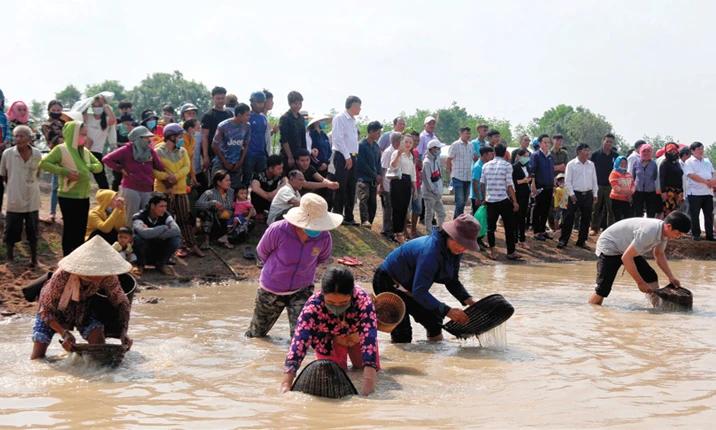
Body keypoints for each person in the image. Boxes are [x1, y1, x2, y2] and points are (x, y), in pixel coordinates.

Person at [373, 214, 481, 343]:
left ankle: (435, 351)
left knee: (434, 320)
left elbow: (452, 281)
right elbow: (419, 292)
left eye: (467, 245)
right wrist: (448, 311)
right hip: (388, 281)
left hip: (411, 285)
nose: (464, 248)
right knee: (403, 332)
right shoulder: (430, 253)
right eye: (462, 243)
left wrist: (472, 301)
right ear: (451, 236)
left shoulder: (455, 250)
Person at [246, 193, 342, 338]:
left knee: (302, 337)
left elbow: (322, 259)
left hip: (302, 289)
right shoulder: (278, 230)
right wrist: (277, 271)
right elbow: (262, 252)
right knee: (256, 335)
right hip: (271, 289)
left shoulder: (324, 237)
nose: (316, 229)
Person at [29, 236, 133, 360]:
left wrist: (123, 331)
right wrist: (64, 332)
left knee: (99, 347)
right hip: (53, 309)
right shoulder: (62, 276)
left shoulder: (107, 276)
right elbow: (45, 310)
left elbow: (122, 302)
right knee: (38, 356)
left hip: (83, 308)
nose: (100, 274)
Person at [281, 267, 379, 396]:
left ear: (352, 294)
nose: (337, 307)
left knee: (361, 370)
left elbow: (369, 339)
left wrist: (368, 384)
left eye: (343, 302)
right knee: (334, 375)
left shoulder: (363, 301)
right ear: (323, 295)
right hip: (328, 340)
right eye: (331, 302)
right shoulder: (313, 306)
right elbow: (299, 342)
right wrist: (286, 384)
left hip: (357, 338)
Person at [589, 211, 691, 305]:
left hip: (626, 248)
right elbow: (626, 258)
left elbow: (659, 254)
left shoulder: (664, 234)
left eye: (680, 235)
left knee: (651, 277)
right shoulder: (649, 232)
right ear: (669, 226)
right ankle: (592, 311)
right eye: (677, 234)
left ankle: (658, 309)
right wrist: (640, 283)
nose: (678, 237)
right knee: (603, 290)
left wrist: (671, 277)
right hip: (610, 246)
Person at [39, 121, 103, 256]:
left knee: (80, 230)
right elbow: (44, 163)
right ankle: (67, 258)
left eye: (85, 135)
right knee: (70, 229)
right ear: (73, 134)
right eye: (82, 135)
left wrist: (88, 167)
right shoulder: (61, 150)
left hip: (84, 196)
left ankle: (77, 259)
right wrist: (64, 172)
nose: (84, 138)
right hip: (68, 196)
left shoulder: (85, 151)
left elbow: (99, 166)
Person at [154, 123, 203, 258]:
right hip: (163, 190)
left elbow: (187, 167)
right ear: (171, 136)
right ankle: (166, 249)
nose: (181, 139)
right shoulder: (158, 151)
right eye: (179, 136)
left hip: (181, 190)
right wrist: (166, 178)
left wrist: (174, 177)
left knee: (184, 218)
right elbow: (155, 170)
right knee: (165, 220)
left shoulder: (182, 151)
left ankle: (192, 245)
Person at [103, 126, 166, 228]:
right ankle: (129, 242)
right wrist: (120, 168)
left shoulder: (150, 151)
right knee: (131, 218)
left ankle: (141, 242)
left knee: (145, 219)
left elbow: (160, 167)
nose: (149, 140)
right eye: (146, 138)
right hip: (131, 188)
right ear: (138, 138)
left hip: (147, 189)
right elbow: (107, 159)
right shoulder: (126, 149)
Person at [1, 125, 42, 267]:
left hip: (32, 198)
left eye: (22, 136)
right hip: (14, 199)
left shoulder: (37, 154)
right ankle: (10, 258)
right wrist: (15, 186)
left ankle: (34, 259)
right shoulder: (8, 154)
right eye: (16, 136)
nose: (18, 139)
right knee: (11, 230)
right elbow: (4, 175)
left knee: (33, 230)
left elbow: (38, 174)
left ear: (30, 138)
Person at [480, 144, 520, 260]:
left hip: (490, 200)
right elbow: (509, 185)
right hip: (503, 199)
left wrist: (484, 198)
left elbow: (482, 184)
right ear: (505, 153)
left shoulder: (486, 166)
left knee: (491, 228)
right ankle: (511, 251)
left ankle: (493, 251)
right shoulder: (507, 165)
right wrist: (515, 201)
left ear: (494, 153)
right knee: (509, 226)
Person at [558, 143, 598, 249]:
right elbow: (567, 181)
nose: (588, 152)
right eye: (586, 150)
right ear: (579, 151)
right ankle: (563, 240)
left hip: (588, 194)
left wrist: (595, 194)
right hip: (575, 194)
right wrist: (571, 194)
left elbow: (594, 180)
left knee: (586, 218)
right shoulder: (571, 164)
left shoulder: (591, 164)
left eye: (588, 150)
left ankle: (581, 241)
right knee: (568, 218)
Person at [132, 192, 181, 276]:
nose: (164, 209)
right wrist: (164, 228)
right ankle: (140, 264)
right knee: (138, 238)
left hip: (158, 247)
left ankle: (161, 264)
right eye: (161, 206)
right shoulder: (139, 216)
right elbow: (144, 234)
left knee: (175, 240)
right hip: (145, 249)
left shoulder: (166, 215)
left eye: (165, 206)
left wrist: (154, 234)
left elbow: (176, 230)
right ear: (152, 206)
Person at [331, 96, 362, 226]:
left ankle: (349, 216)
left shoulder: (353, 120)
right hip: (343, 156)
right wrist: (347, 157)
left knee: (351, 186)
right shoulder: (340, 118)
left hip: (352, 156)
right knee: (341, 186)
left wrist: (353, 157)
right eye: (359, 106)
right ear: (353, 105)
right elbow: (338, 138)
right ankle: (337, 215)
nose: (360, 109)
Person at [212, 103, 250, 191]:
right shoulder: (223, 126)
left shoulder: (247, 126)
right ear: (239, 115)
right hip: (221, 162)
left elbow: (246, 144)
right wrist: (225, 162)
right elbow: (214, 145)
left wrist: (240, 161)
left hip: (236, 164)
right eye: (247, 115)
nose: (249, 117)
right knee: (218, 190)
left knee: (234, 191)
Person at [195, 170, 235, 250]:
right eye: (227, 180)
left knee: (249, 222)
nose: (229, 182)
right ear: (219, 182)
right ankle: (207, 239)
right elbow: (197, 205)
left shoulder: (232, 192)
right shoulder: (209, 193)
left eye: (229, 180)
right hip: (215, 223)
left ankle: (227, 237)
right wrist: (212, 203)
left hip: (229, 223)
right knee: (205, 211)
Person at [40, 100, 66, 223]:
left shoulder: (65, 123)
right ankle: (52, 213)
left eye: (58, 110)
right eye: (53, 110)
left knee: (67, 186)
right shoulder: (45, 125)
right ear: (49, 110)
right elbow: (53, 141)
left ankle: (65, 213)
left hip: (67, 156)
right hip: (56, 156)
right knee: (56, 186)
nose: (56, 112)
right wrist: (63, 137)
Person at [683, 141, 715, 241]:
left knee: (708, 215)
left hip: (708, 192)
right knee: (695, 215)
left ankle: (710, 235)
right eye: (699, 149)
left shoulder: (707, 161)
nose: (701, 151)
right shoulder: (689, 162)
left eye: (702, 149)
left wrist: (712, 181)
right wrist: (706, 182)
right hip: (695, 193)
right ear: (692, 151)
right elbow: (691, 175)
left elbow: (713, 172)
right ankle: (696, 234)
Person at [83, 95, 116, 190]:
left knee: (101, 179)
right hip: (84, 150)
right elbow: (81, 115)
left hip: (96, 152)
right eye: (95, 106)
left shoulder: (106, 120)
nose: (97, 108)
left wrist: (105, 104)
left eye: (99, 105)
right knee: (83, 177)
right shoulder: (88, 117)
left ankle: (107, 199)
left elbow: (113, 119)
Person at [390, 134, 418, 244]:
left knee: (404, 208)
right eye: (406, 142)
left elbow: (413, 174)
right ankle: (397, 233)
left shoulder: (411, 156)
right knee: (397, 207)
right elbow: (393, 166)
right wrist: (398, 154)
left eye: (410, 143)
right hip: (398, 180)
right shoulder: (397, 153)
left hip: (407, 181)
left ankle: (400, 231)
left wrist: (415, 189)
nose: (408, 144)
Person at [588, 134, 618, 234]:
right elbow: (590, 169)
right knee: (595, 207)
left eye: (611, 142)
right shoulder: (596, 154)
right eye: (607, 141)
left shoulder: (616, 156)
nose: (609, 143)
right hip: (597, 185)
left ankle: (610, 230)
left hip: (611, 186)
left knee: (611, 209)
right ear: (603, 141)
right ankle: (594, 228)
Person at [201, 86, 233, 178]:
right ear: (213, 98)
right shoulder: (208, 115)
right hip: (213, 154)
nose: (220, 101)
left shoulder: (229, 114)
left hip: (229, 154)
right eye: (218, 98)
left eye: (222, 98)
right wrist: (205, 156)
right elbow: (204, 137)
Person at [356, 121, 383, 228]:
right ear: (371, 132)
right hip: (363, 178)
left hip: (374, 179)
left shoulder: (376, 146)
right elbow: (361, 164)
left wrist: (379, 175)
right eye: (378, 133)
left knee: (373, 202)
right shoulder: (361, 145)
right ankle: (364, 221)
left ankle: (370, 222)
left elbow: (378, 162)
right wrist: (375, 175)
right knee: (364, 197)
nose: (379, 135)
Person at [530, 134, 555, 241]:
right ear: (539, 143)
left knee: (546, 208)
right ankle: (536, 231)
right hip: (539, 185)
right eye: (544, 142)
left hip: (549, 185)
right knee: (538, 208)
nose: (547, 144)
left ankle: (543, 230)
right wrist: (533, 185)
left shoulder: (550, 156)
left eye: (548, 142)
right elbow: (533, 172)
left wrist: (554, 185)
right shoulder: (535, 155)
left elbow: (552, 172)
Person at [447, 126, 474, 218]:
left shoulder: (471, 145)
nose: (468, 135)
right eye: (467, 133)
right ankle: (458, 225)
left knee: (463, 201)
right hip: (457, 176)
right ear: (461, 133)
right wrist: (451, 172)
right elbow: (448, 159)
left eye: (469, 133)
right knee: (460, 201)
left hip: (467, 177)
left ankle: (456, 222)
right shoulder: (455, 145)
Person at [245, 91, 270, 186]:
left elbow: (266, 137)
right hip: (249, 155)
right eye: (258, 102)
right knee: (247, 180)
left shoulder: (264, 118)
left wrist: (267, 153)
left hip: (261, 155)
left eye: (262, 102)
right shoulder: (247, 117)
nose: (260, 105)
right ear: (252, 102)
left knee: (262, 180)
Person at [422, 139, 447, 234]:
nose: (439, 150)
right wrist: (434, 190)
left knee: (442, 213)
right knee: (429, 214)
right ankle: (428, 234)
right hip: (430, 193)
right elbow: (427, 180)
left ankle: (439, 231)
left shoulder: (436, 160)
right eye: (438, 148)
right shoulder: (427, 162)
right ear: (432, 149)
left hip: (436, 193)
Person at [379, 132, 400, 241]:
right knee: (388, 208)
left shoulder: (397, 152)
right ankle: (387, 230)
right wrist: (381, 185)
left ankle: (389, 230)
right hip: (387, 184)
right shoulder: (388, 152)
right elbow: (383, 169)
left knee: (393, 208)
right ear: (396, 141)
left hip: (394, 184)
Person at [278, 91, 306, 171]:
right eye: (296, 103)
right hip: (288, 155)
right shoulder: (285, 118)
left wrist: (305, 156)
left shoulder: (301, 118)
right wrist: (290, 156)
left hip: (300, 154)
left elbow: (303, 137)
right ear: (290, 103)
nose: (298, 106)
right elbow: (284, 139)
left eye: (300, 103)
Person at [630, 143, 659, 219]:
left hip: (650, 191)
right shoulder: (636, 163)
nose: (646, 153)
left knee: (651, 212)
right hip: (638, 191)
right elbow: (633, 176)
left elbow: (655, 176)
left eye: (648, 151)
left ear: (651, 152)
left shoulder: (654, 164)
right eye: (644, 151)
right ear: (641, 152)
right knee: (637, 212)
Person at [512, 148, 532, 248]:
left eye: (528, 156)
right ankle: (515, 240)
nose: (526, 158)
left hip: (526, 194)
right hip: (517, 195)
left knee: (523, 217)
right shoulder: (514, 167)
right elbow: (512, 182)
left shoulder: (528, 167)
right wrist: (522, 181)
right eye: (524, 156)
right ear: (519, 156)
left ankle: (522, 239)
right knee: (516, 217)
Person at [657, 143, 684, 216]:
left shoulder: (677, 163)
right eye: (670, 151)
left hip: (678, 191)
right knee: (668, 211)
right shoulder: (664, 163)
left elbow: (680, 177)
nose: (673, 153)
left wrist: (681, 191)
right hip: (668, 191)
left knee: (677, 212)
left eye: (674, 151)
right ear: (666, 152)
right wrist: (663, 192)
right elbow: (661, 178)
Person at [609, 156, 636, 222]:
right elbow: (615, 187)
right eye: (621, 163)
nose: (623, 165)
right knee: (617, 219)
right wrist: (627, 193)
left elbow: (633, 185)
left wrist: (631, 193)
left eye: (625, 163)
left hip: (626, 200)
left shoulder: (628, 173)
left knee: (627, 218)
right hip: (616, 199)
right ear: (617, 163)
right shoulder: (614, 173)